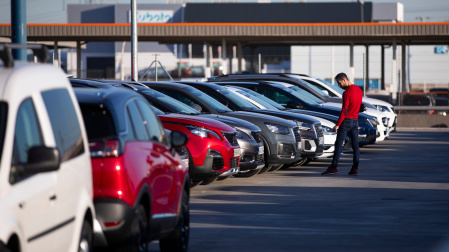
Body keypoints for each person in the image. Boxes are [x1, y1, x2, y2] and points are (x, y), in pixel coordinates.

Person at [321, 73, 362, 176]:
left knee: (339, 144)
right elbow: (359, 105)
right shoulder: (358, 90)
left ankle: (333, 167)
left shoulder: (347, 93)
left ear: (344, 80)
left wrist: (337, 124)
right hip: (355, 120)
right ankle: (355, 168)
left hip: (346, 121)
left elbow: (344, 110)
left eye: (339, 83)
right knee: (355, 145)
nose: (339, 86)